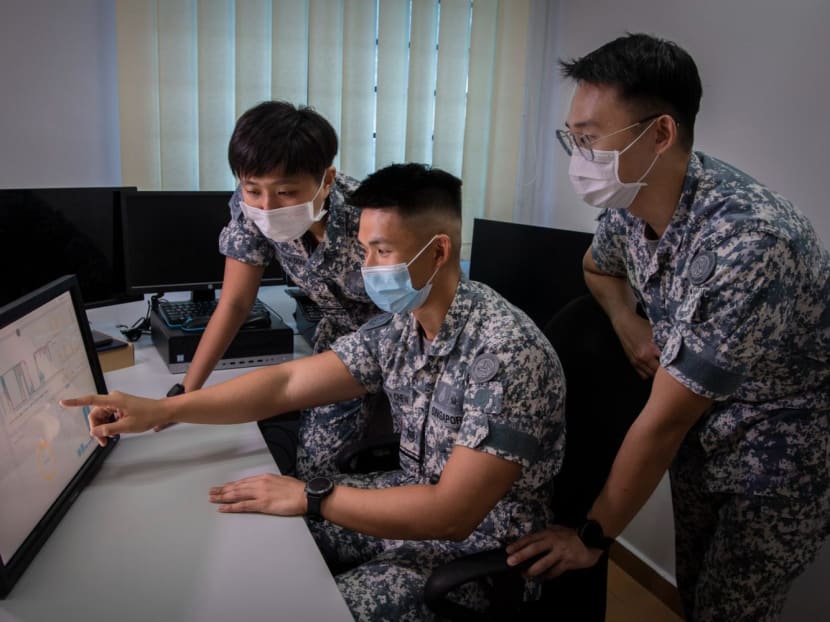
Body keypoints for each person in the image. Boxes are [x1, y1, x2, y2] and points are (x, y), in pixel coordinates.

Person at [62, 163, 567, 621]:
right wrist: (164, 409)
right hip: (410, 501)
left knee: (304, 606)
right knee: (260, 536)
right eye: (365, 248)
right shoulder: (404, 323)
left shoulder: (507, 353)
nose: (367, 266)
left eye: (383, 251)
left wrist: (312, 496)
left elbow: (452, 515)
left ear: (438, 250)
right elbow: (287, 384)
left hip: (481, 553)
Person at [505, 33, 830, 622]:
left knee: (734, 609)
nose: (579, 156)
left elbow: (662, 422)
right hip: (702, 435)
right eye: (572, 137)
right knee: (696, 589)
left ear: (660, 134)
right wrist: (628, 322)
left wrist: (591, 537)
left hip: (779, 447)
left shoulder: (750, 241)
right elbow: (595, 268)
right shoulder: (632, 203)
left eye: (591, 138)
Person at [174, 100, 382, 478]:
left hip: (404, 338)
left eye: (286, 193)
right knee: (316, 467)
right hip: (339, 343)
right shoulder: (249, 206)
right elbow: (236, 302)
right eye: (253, 190)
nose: (267, 207)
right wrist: (188, 391)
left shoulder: (372, 214)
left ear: (327, 179)